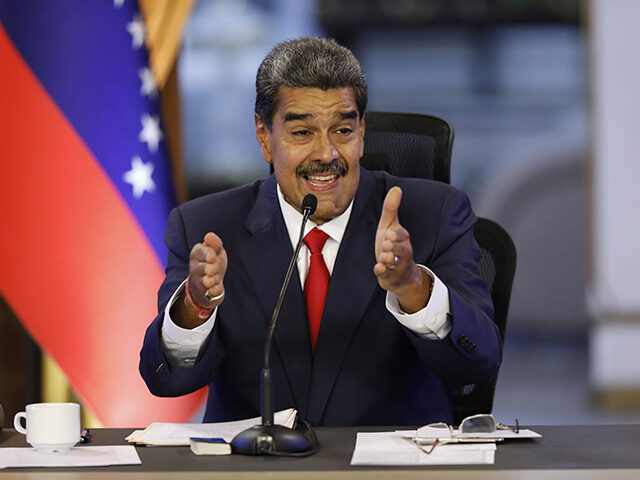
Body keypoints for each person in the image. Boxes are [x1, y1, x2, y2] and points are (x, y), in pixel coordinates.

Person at [140, 37, 501, 426]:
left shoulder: (434, 214)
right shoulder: (206, 227)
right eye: (302, 133)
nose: (326, 154)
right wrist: (195, 307)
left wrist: (414, 287)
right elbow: (167, 380)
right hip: (258, 467)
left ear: (362, 133)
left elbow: (479, 362)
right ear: (265, 137)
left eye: (342, 130)